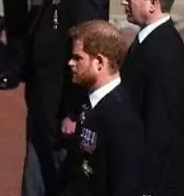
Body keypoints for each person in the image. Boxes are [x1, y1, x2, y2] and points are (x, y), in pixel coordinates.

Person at [20, 0, 110, 196]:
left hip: (61, 104)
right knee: (39, 167)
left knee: (58, 177)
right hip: (46, 97)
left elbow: (89, 46)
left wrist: (73, 111)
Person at [120, 0, 184, 196]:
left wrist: (146, 188)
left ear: (153, 4)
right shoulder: (150, 42)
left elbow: (161, 128)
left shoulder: (164, 52)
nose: (123, 2)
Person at [60, 20, 144, 196]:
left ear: (99, 62)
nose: (70, 63)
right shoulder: (89, 103)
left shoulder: (121, 118)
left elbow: (125, 186)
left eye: (78, 58)